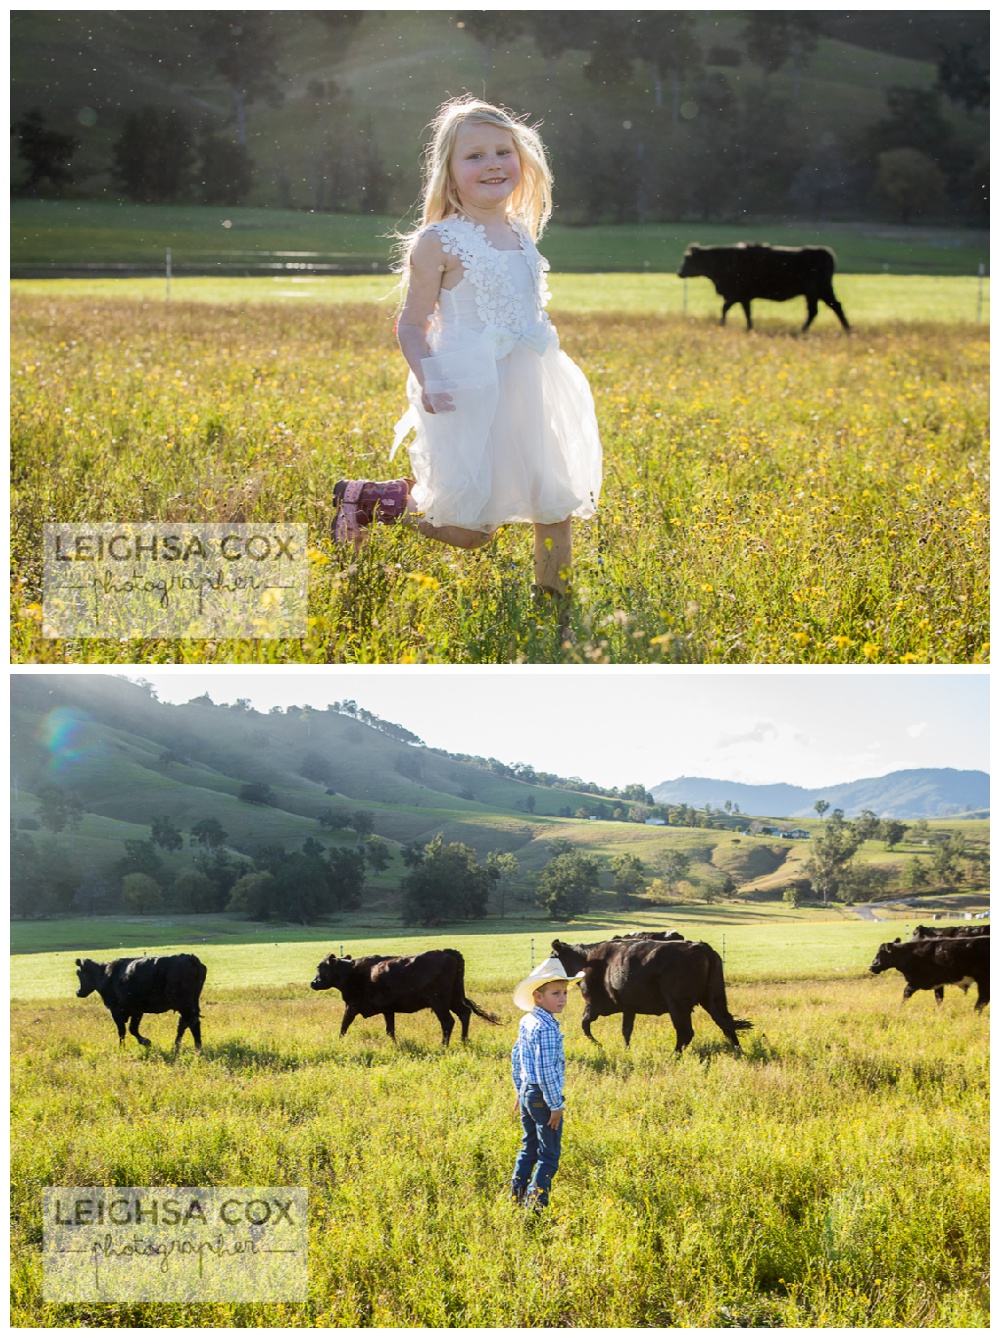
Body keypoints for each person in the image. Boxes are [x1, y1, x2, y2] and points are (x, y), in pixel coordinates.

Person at [332, 95, 603, 608]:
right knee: (471, 530)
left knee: (554, 501)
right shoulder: (438, 241)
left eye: (502, 151)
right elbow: (411, 323)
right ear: (450, 173)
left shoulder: (521, 234)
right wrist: (429, 375)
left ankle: (555, 612)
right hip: (467, 386)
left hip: (531, 382)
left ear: (523, 161)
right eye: (474, 156)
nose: (492, 164)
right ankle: (372, 499)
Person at [509, 956, 585, 1211]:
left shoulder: (527, 1021)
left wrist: (520, 1090)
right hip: (543, 1096)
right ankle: (535, 1207)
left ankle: (516, 1196)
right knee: (549, 1156)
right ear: (538, 997)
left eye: (565, 993)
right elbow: (545, 1072)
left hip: (529, 1094)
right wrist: (556, 1106)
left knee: (529, 1146)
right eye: (555, 993)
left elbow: (517, 1057)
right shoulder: (548, 1028)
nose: (562, 998)